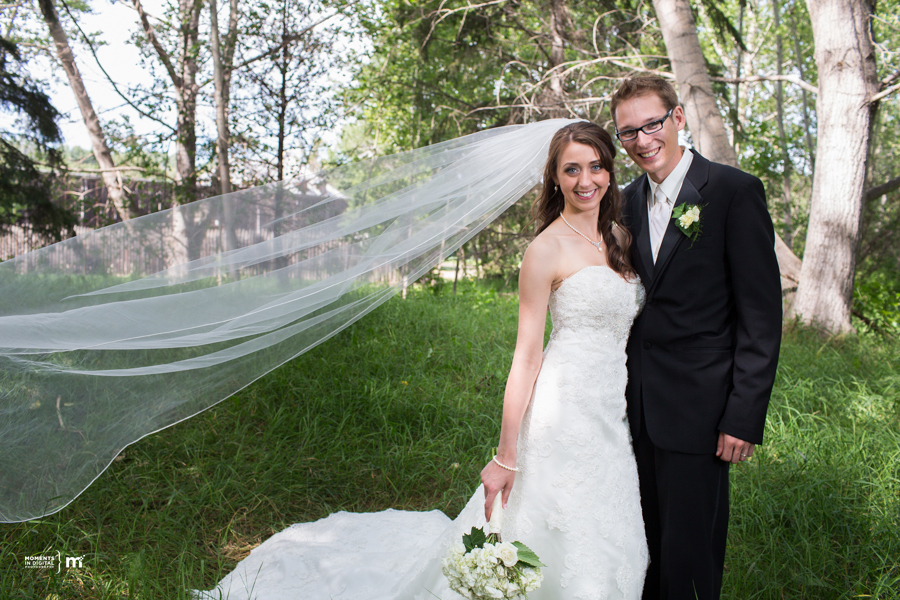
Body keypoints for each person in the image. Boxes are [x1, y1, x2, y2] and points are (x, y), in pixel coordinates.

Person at [198, 121, 650, 599]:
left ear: (609, 171)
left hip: (610, 410)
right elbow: (526, 356)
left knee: (609, 534)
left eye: (596, 167)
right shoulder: (545, 250)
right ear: (554, 178)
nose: (585, 180)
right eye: (571, 169)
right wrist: (505, 456)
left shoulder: (619, 239)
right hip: (562, 411)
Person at [611, 76, 782, 600]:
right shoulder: (623, 203)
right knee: (639, 551)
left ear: (678, 118)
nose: (643, 141)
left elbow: (760, 315)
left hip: (701, 411)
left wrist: (743, 415)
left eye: (652, 124)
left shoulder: (733, 192)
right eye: (628, 132)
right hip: (630, 409)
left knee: (690, 559)